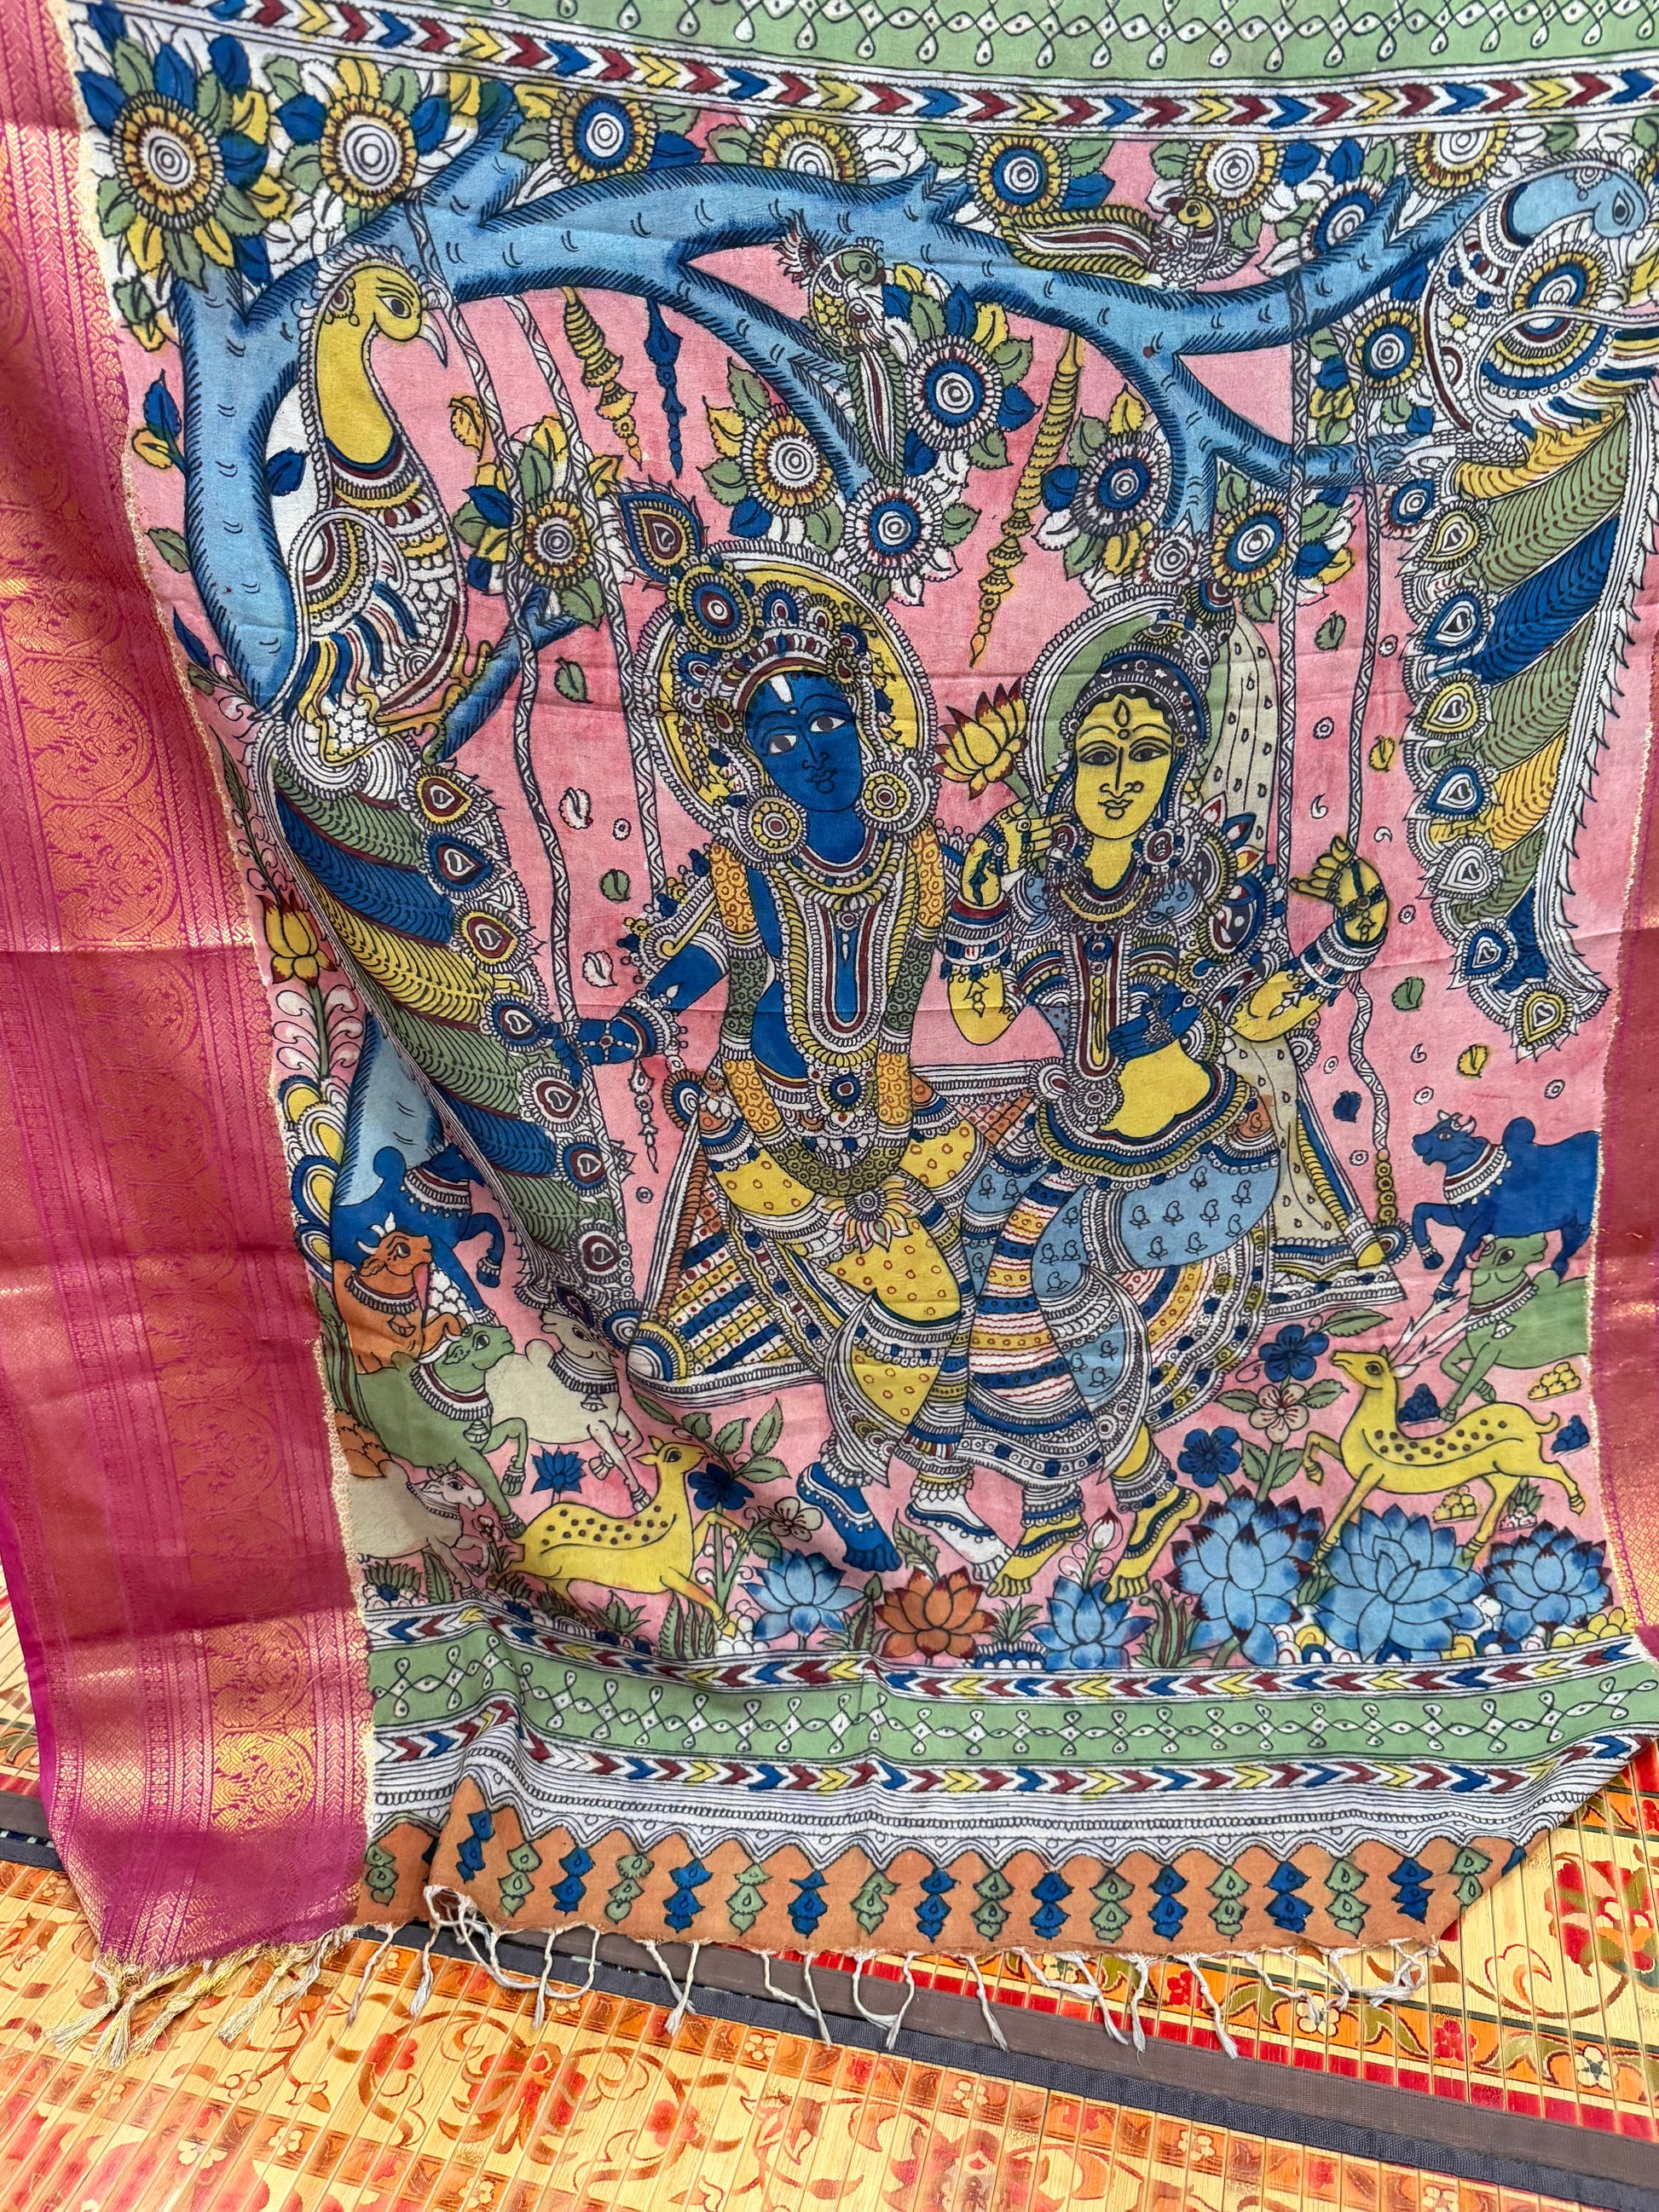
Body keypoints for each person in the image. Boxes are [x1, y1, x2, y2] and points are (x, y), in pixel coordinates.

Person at [564, 495, 984, 1571]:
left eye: (828, 720)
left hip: (890, 1112)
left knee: (1004, 1219)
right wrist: (634, 1028)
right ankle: (847, 1470)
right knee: (924, 1302)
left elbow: (986, 965)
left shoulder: (921, 861)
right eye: (779, 736)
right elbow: (694, 972)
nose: (811, 751)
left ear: (868, 721)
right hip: (769, 1131)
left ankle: (943, 1478)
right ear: (749, 761)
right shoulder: (746, 874)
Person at [936, 615, 1396, 1596]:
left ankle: (1144, 1492)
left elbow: (1254, 1013)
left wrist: (1346, 943)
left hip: (1204, 1160)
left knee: (1046, 1260)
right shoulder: (1032, 893)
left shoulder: (1191, 889)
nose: (1118, 778)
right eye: (1099, 754)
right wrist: (976, 905)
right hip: (1074, 1144)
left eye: (1144, 755)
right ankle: (1050, 1506)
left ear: (1174, 772)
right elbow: (979, 1021)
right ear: (1067, 766)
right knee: (974, 1235)